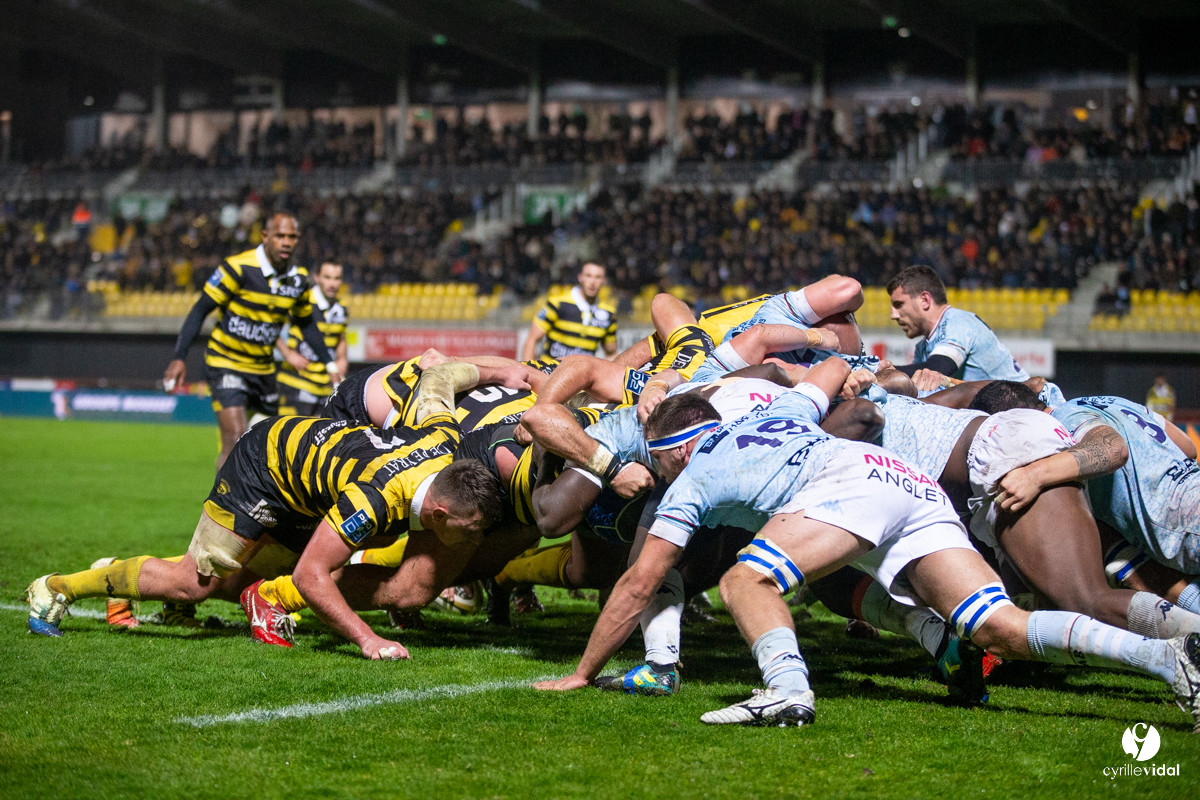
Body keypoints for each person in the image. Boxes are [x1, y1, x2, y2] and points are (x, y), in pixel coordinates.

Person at [534, 385, 1200, 735]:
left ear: (677, 448)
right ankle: (1168, 660)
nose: (660, 474)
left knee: (744, 579)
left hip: (851, 488)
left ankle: (787, 692)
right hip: (906, 481)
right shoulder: (776, 409)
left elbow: (640, 582)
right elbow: (823, 383)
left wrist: (582, 672)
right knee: (997, 627)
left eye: (659, 461)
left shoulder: (695, 473)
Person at [26, 364, 503, 660]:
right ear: (438, 513)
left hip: (309, 483)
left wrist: (501, 374)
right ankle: (58, 588)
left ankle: (131, 579)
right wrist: (368, 640)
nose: (473, 538)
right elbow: (311, 577)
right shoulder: (375, 498)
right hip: (263, 466)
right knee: (193, 583)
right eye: (469, 530)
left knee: (247, 578)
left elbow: (439, 376)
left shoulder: (445, 439)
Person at [163, 212, 340, 469]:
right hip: (227, 364)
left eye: (292, 237)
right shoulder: (238, 268)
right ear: (265, 236)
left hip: (263, 372)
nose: (286, 242)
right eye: (280, 236)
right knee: (235, 437)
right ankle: (224, 497)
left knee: (265, 446)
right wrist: (179, 357)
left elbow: (305, 323)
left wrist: (329, 364)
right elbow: (200, 310)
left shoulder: (298, 279)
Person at [886, 265, 1029, 393]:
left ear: (925, 300)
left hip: (1024, 405)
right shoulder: (922, 348)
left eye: (899, 305)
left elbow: (938, 368)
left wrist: (883, 373)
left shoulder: (958, 321)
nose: (893, 315)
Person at [277, 261, 349, 417]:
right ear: (317, 277)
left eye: (336, 278)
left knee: (320, 431)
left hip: (325, 386)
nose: (332, 284)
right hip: (297, 383)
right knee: (292, 432)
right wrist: (288, 353)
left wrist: (342, 359)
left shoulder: (341, 308)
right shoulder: (302, 301)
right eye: (327, 277)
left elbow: (341, 338)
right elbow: (271, 323)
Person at [520, 262, 617, 361]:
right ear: (580, 277)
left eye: (598, 277)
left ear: (604, 281)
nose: (592, 282)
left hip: (582, 371)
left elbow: (611, 353)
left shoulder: (608, 313)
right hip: (550, 370)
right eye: (588, 276)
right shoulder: (558, 303)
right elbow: (532, 339)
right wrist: (528, 368)